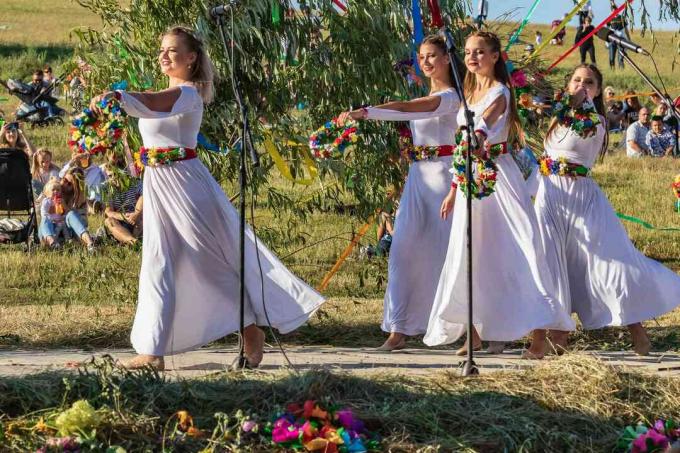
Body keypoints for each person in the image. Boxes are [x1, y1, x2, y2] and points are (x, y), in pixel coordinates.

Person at [90, 26, 324, 370]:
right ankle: (152, 351)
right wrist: (119, 102)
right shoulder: (164, 91)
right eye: (161, 50)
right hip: (157, 184)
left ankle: (250, 330)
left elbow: (153, 104)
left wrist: (119, 97)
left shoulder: (189, 93)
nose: (163, 56)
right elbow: (148, 106)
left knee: (208, 261)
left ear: (191, 58)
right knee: (157, 262)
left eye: (172, 50)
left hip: (186, 185)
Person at [423, 31, 570, 355]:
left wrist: (478, 134)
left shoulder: (500, 92)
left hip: (498, 176)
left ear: (494, 57)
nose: (472, 57)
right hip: (470, 179)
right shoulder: (468, 93)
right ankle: (474, 332)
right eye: (468, 52)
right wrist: (454, 186)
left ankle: (539, 335)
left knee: (522, 249)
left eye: (479, 52)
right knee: (472, 251)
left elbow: (486, 122)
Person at [525, 64, 680, 358]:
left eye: (589, 83)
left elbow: (582, 145)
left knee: (605, 267)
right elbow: (547, 158)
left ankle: (638, 333)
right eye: (577, 80)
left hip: (580, 199)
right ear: (569, 84)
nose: (582, 85)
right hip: (550, 197)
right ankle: (544, 338)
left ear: (597, 90)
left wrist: (570, 106)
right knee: (547, 263)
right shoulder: (558, 119)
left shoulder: (594, 121)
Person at [338, 34, 461, 351]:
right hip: (417, 179)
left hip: (445, 178)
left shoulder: (449, 98)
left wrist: (367, 112)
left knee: (450, 252)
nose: (426, 61)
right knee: (403, 250)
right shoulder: (430, 95)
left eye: (432, 55)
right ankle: (399, 329)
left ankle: (464, 328)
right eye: (422, 56)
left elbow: (409, 108)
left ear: (447, 58)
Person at [38, 178, 95, 252]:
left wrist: (64, 205)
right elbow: (42, 213)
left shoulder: (62, 200)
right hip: (49, 228)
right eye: (53, 190)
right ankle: (52, 243)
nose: (55, 192)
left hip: (62, 226)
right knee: (45, 219)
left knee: (71, 213)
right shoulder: (45, 200)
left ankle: (90, 243)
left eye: (58, 190)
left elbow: (66, 214)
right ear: (48, 192)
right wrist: (51, 211)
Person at [102, 165, 143, 245]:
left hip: (135, 216)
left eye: (116, 174)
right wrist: (124, 217)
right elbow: (108, 211)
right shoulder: (106, 187)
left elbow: (145, 194)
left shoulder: (133, 181)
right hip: (120, 219)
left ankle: (129, 240)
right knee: (109, 221)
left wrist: (136, 213)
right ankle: (134, 242)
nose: (113, 178)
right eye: (110, 176)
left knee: (144, 216)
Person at [608, 1, 628, 70]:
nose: (614, 11)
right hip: (612, 40)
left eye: (615, 10)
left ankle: (621, 70)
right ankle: (612, 70)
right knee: (611, 56)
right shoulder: (609, 18)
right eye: (612, 10)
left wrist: (628, 39)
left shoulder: (622, 18)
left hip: (621, 39)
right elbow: (608, 30)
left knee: (621, 57)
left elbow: (626, 29)